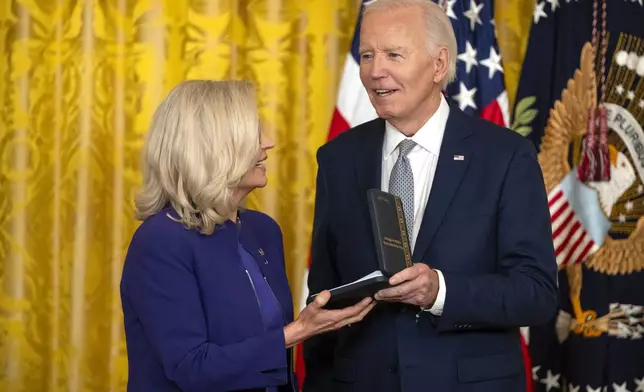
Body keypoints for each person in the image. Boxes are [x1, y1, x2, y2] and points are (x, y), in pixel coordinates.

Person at [302, 1, 558, 391]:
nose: (374, 71)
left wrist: (441, 290)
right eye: (367, 54)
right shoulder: (338, 158)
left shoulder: (506, 156)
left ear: (439, 65)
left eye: (393, 54)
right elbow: (323, 296)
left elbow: (535, 293)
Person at [120, 80, 375, 392]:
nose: (268, 142)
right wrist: (296, 331)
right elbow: (191, 368)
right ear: (212, 147)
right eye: (253, 133)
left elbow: (276, 366)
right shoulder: (160, 241)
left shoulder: (263, 230)